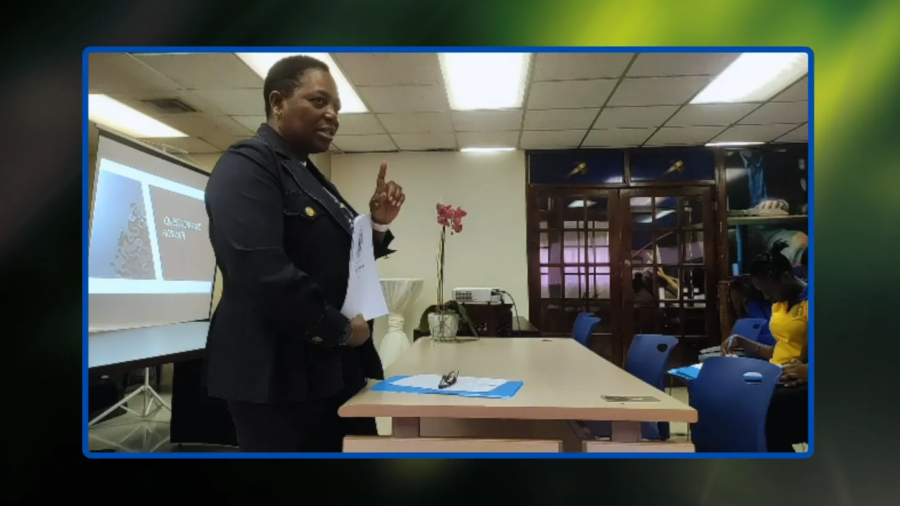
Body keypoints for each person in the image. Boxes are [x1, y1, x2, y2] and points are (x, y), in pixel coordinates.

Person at [203, 55, 406, 452]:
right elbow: (260, 270)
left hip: (329, 367)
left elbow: (341, 259)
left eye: (337, 108)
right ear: (278, 102)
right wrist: (342, 330)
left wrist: (378, 224)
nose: (332, 115)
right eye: (319, 102)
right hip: (277, 373)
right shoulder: (247, 164)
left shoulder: (311, 176)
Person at [722, 241, 809, 451]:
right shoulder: (779, 304)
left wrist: (810, 371)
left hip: (798, 381)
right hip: (776, 372)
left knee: (761, 415)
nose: (767, 297)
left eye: (769, 290)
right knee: (727, 398)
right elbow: (780, 350)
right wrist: (744, 342)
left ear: (785, 278)